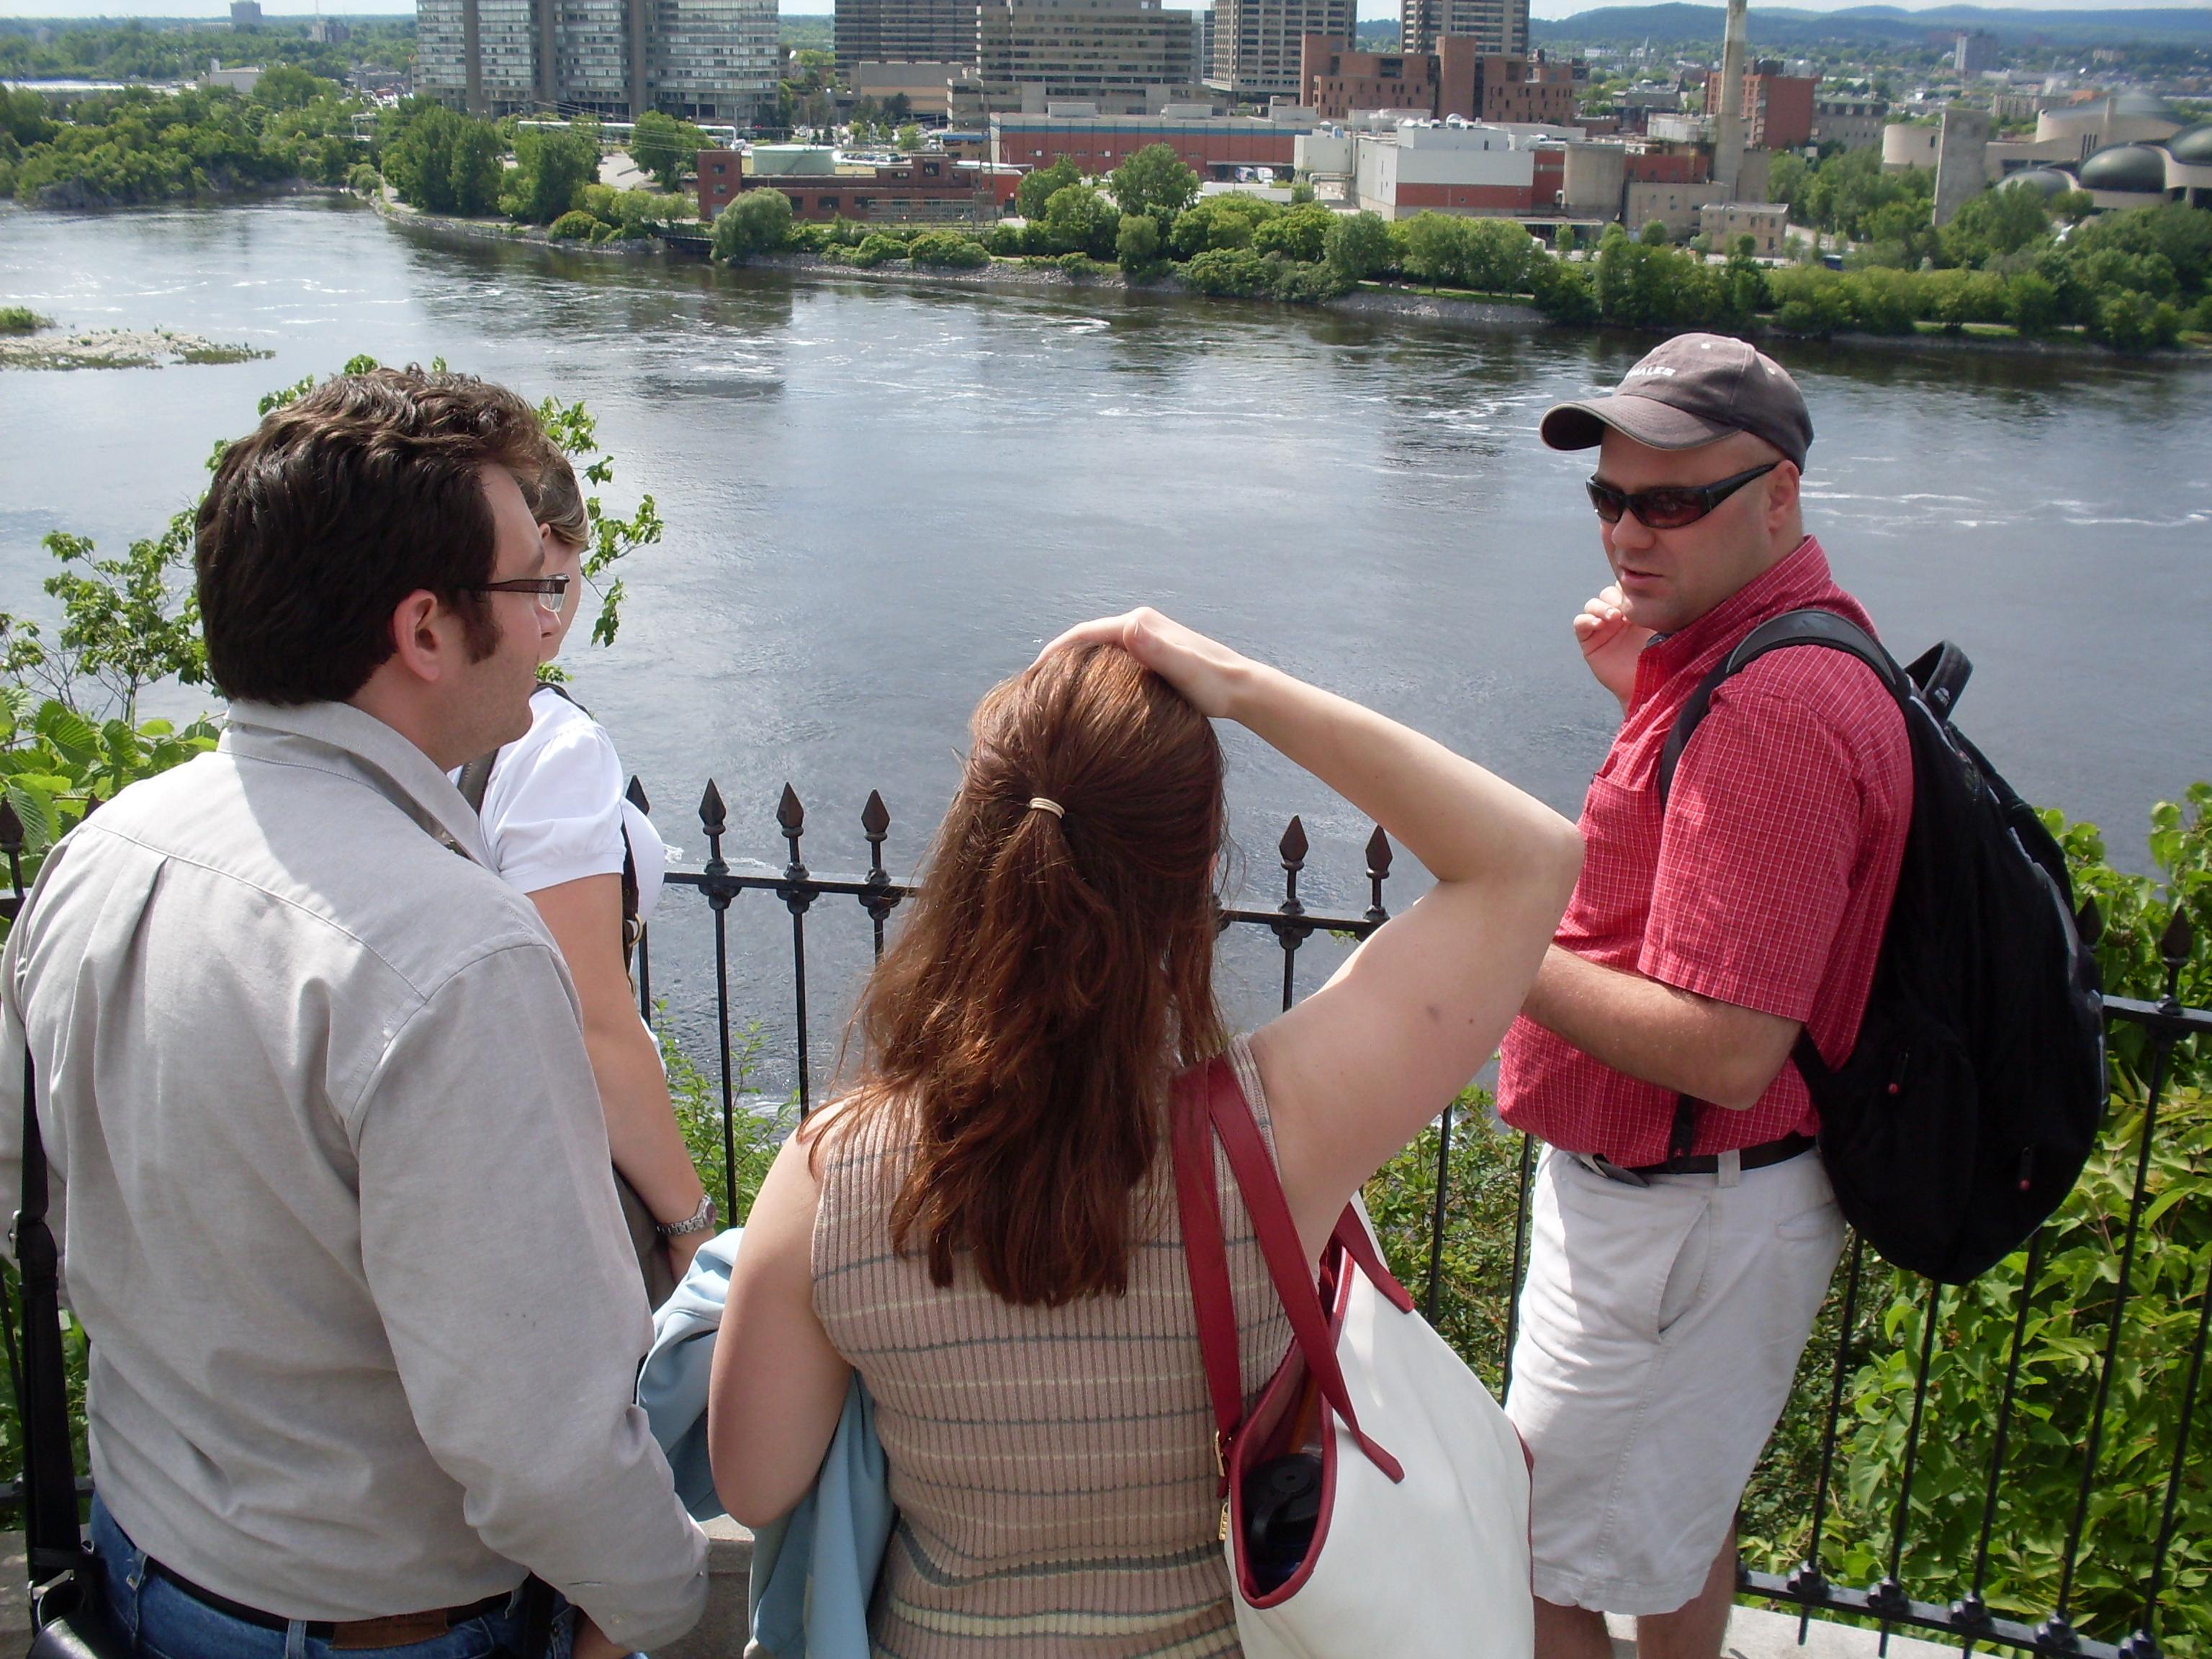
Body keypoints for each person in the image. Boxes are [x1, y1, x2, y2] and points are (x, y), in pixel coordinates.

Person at [708, 609, 1581, 1656]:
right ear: (1199, 867)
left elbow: (754, 1479)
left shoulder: (828, 1175)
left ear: (973, 846)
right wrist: (1233, 681)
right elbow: (1528, 861)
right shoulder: (1276, 1136)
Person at [0, 368, 707, 1659]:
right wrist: (663, 1604)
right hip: (385, 1617)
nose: (553, 617)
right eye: (532, 587)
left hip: (149, 1563)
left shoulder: (104, 851)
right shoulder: (456, 951)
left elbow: (26, 1189)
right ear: (426, 630)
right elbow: (539, 1436)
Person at [1496, 333, 1913, 1659]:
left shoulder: (1771, 704)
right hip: (1702, 1210)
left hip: (1677, 1217)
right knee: (1677, 1529)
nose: (1630, 531)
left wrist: (1495, 938)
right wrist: (1648, 690)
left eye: (1674, 501)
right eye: (1610, 498)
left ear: (1777, 496)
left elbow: (1729, 1048)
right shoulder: (1753, 656)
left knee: (1532, 1563)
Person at [460, 441, 713, 1303]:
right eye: (547, 583)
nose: (552, 617)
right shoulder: (555, 746)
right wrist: (689, 1227)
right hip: (562, 1167)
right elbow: (593, 1026)